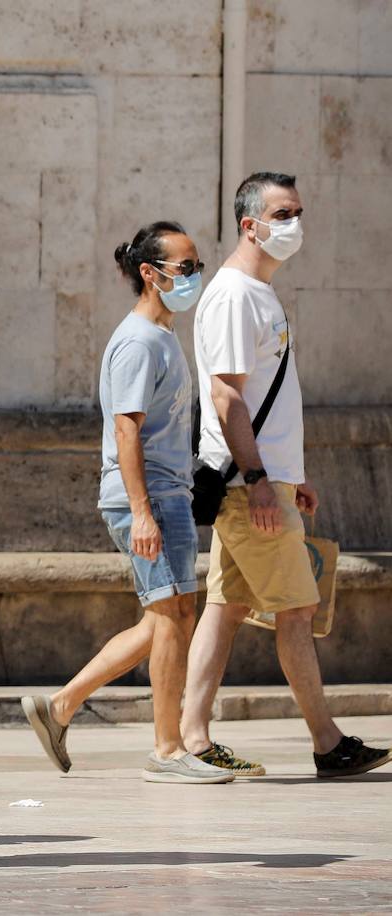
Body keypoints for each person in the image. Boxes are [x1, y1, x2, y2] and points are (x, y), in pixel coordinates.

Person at [180, 172, 391, 778]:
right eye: (283, 213)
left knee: (222, 608)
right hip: (252, 493)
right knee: (297, 612)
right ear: (251, 225)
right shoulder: (234, 295)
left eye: (298, 211)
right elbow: (225, 396)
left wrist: (288, 475)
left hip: (264, 485)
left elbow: (266, 398)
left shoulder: (259, 293)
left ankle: (191, 739)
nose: (294, 224)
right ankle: (328, 743)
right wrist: (258, 480)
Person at [20, 223, 232, 784]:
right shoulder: (138, 341)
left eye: (196, 265)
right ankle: (167, 749)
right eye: (184, 268)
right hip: (151, 498)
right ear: (149, 273)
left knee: (171, 616)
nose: (193, 277)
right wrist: (141, 511)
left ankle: (60, 706)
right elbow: (126, 431)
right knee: (169, 615)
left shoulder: (161, 337)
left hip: (169, 495)